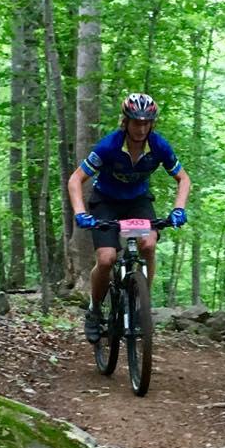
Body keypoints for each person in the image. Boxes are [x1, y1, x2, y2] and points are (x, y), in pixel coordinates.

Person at [67, 92, 191, 342]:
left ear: (152, 124)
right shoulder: (109, 146)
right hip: (106, 201)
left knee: (149, 244)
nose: (141, 128)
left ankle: (140, 304)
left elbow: (183, 178)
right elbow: (75, 179)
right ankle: (94, 310)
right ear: (126, 121)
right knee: (106, 259)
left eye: (146, 123)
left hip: (138, 201)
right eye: (136, 122)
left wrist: (179, 208)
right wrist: (80, 213)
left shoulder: (159, 146)